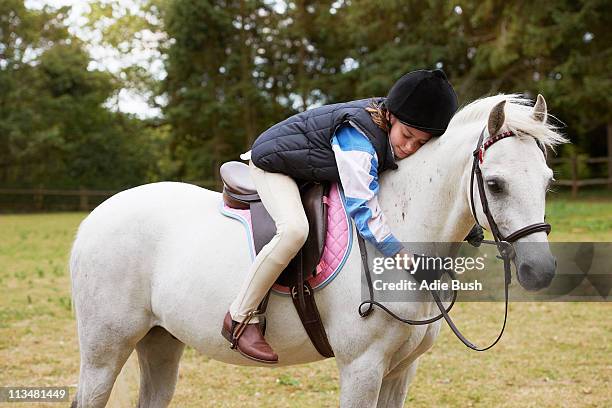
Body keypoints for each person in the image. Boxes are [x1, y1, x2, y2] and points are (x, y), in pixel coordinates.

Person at [221, 69, 459, 363]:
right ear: (391, 117)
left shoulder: (392, 127)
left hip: (307, 166)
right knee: (294, 230)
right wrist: (401, 255)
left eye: (421, 143)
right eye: (407, 135)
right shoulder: (358, 138)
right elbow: (362, 207)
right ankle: (240, 317)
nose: (409, 148)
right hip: (273, 164)